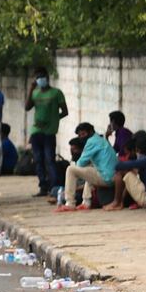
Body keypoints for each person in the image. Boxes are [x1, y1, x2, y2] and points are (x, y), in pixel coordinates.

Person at [25, 66, 68, 196]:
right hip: (36, 131)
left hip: (49, 132)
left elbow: (64, 112)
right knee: (38, 160)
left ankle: (54, 187)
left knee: (49, 159)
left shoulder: (56, 93)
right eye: (37, 77)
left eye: (41, 77)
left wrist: (54, 119)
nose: (40, 79)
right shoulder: (35, 92)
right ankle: (43, 186)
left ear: (47, 78)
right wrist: (31, 89)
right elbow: (27, 107)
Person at [55, 123, 117, 212]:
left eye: (83, 134)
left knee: (70, 169)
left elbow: (80, 163)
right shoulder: (100, 140)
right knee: (89, 169)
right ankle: (86, 202)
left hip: (106, 177)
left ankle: (70, 203)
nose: (81, 137)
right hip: (111, 176)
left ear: (91, 132)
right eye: (79, 135)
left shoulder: (91, 141)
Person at [104, 137, 146, 210]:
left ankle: (116, 202)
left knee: (121, 173)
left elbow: (118, 166)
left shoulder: (145, 160)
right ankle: (121, 203)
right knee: (129, 173)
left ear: (137, 150)